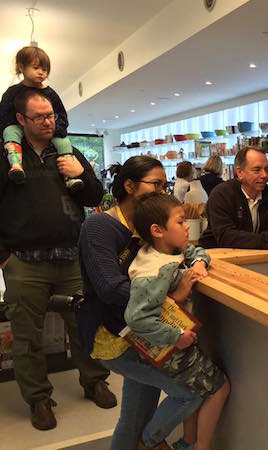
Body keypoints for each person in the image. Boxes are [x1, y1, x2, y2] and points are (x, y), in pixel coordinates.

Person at [77, 156, 227, 450]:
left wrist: (196, 263)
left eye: (164, 184)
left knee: (134, 417)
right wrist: (167, 302)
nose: (162, 191)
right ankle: (149, 443)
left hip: (144, 336)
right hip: (115, 336)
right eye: (155, 185)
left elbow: (189, 250)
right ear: (130, 185)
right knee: (188, 391)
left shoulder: (148, 225)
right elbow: (109, 288)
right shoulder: (100, 227)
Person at [0, 90, 114, 431]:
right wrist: (4, 258)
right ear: (20, 120)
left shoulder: (68, 150)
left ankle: (94, 380)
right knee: (27, 337)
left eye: (51, 115)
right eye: (39, 117)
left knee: (85, 327)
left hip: (71, 259)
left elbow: (96, 195)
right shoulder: (7, 157)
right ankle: (38, 399)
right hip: (24, 262)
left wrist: (81, 172)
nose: (49, 122)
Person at [127, 192, 229, 450]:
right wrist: (176, 337)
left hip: (175, 343)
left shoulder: (169, 250)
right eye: (181, 222)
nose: (187, 228)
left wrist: (199, 264)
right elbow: (137, 318)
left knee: (196, 391)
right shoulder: (153, 272)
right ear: (158, 230)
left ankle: (187, 442)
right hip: (170, 347)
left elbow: (197, 251)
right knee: (218, 388)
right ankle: (166, 442)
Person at [0, 46, 83, 189]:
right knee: (10, 132)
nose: (41, 73)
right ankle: (16, 165)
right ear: (21, 67)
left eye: (45, 70)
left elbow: (62, 115)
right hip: (17, 128)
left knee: (64, 143)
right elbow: (3, 114)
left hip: (52, 132)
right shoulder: (12, 92)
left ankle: (70, 177)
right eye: (36, 67)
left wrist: (56, 131)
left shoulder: (50, 93)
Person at [200, 147, 268, 250]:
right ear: (239, 173)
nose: (265, 175)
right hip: (217, 259)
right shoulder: (221, 195)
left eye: (266, 169)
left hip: (259, 260)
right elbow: (226, 236)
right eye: (257, 170)